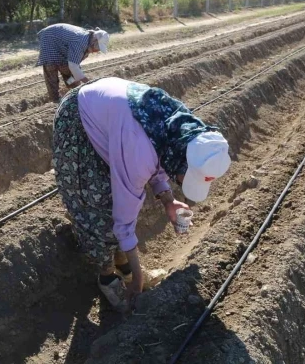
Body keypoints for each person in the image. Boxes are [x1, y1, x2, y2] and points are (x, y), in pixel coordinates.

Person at [52, 77, 231, 309]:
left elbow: (157, 154)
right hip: (79, 119)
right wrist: (138, 281)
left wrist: (169, 200)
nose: (180, 181)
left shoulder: (181, 131)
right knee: (97, 205)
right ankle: (108, 277)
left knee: (111, 196)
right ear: (183, 160)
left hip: (115, 119)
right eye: (186, 177)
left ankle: (125, 266)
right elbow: (123, 220)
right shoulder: (139, 148)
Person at [36, 23, 110, 102]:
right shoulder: (81, 42)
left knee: (69, 74)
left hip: (60, 45)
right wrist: (89, 83)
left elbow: (73, 67)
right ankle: (56, 100)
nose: (97, 51)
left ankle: (71, 91)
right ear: (94, 41)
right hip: (49, 40)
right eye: (98, 48)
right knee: (51, 71)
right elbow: (73, 66)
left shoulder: (88, 40)